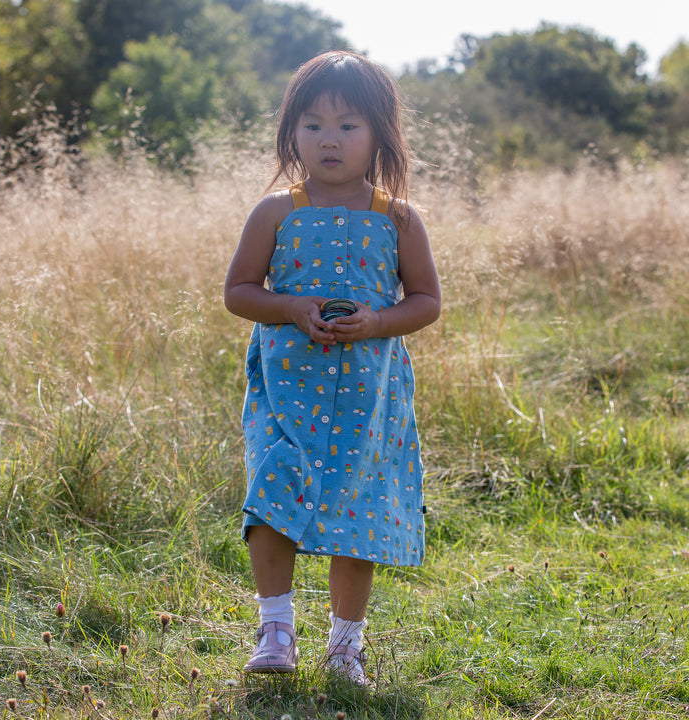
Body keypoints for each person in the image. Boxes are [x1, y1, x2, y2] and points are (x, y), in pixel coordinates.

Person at [224, 50, 441, 686]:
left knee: (360, 513)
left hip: (368, 400)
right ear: (292, 131)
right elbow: (239, 291)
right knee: (271, 496)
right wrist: (290, 307)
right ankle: (276, 627)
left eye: (348, 125)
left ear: (378, 133)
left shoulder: (398, 218)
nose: (329, 138)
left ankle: (345, 646)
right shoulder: (276, 212)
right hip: (288, 390)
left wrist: (376, 321)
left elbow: (426, 302)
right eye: (313, 123)